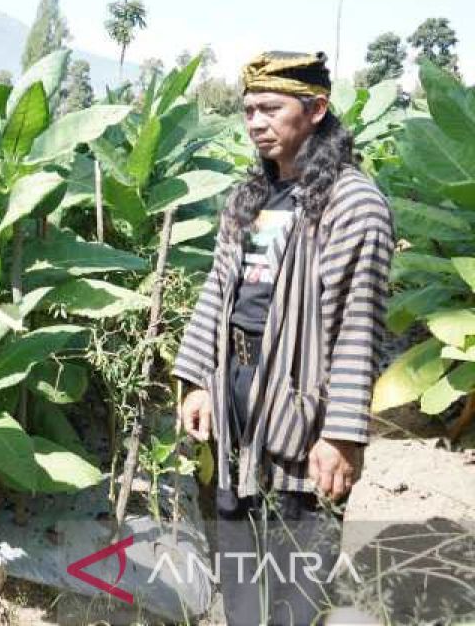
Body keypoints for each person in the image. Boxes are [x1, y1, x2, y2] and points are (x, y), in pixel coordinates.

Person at [172, 52, 394, 625]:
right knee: (239, 561)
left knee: (296, 571)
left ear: (316, 109)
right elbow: (217, 289)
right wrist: (198, 381)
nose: (255, 121)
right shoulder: (250, 198)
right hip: (238, 399)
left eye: (271, 107)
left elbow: (357, 327)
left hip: (304, 408)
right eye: (248, 109)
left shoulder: (352, 204)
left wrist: (343, 434)